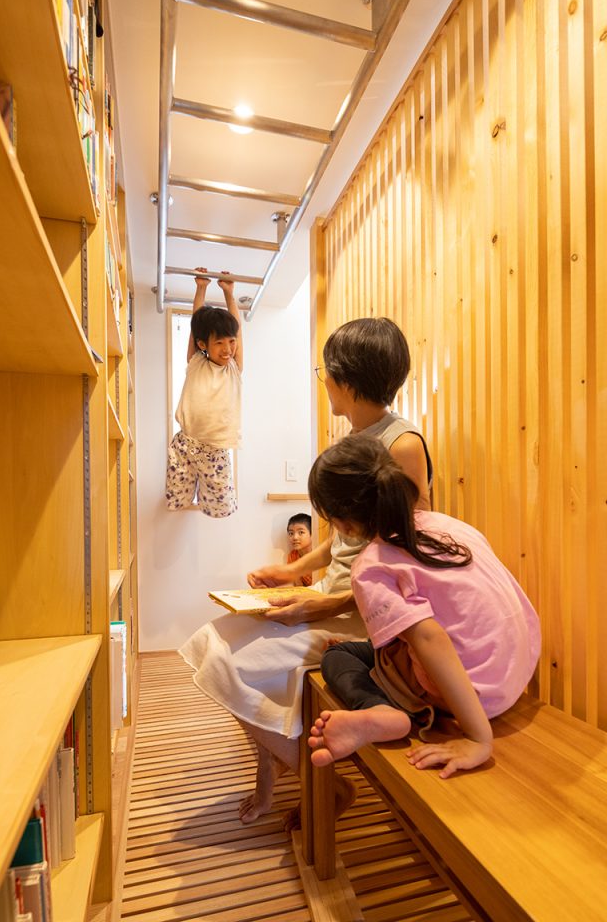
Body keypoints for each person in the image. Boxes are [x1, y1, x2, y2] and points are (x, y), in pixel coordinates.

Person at [180, 317, 433, 825]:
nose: (324, 380)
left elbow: (409, 553)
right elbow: (344, 537)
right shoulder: (354, 437)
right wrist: (289, 572)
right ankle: (280, 771)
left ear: (348, 379)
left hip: (364, 615)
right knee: (212, 640)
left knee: (226, 665)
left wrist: (325, 604)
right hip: (329, 598)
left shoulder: (402, 444)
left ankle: (325, 785)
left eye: (326, 371)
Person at [306, 433, 541, 778]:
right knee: (365, 647)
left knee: (337, 656)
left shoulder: (371, 565)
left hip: (476, 697)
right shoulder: (449, 525)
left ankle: (383, 711)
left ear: (344, 525)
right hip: (513, 674)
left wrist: (478, 738)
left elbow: (429, 637)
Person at [165, 268, 242, 518]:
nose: (227, 349)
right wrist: (201, 288)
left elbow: (237, 329)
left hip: (215, 450)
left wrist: (229, 293)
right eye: (219, 343)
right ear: (203, 345)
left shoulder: (233, 369)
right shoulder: (196, 361)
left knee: (220, 508)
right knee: (177, 499)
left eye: (231, 342)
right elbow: (195, 324)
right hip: (185, 444)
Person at [286, 513, 313, 586]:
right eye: (291, 533)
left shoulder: (319, 554)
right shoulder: (292, 556)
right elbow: (298, 585)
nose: (295, 537)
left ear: (312, 534)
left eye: (301, 532)